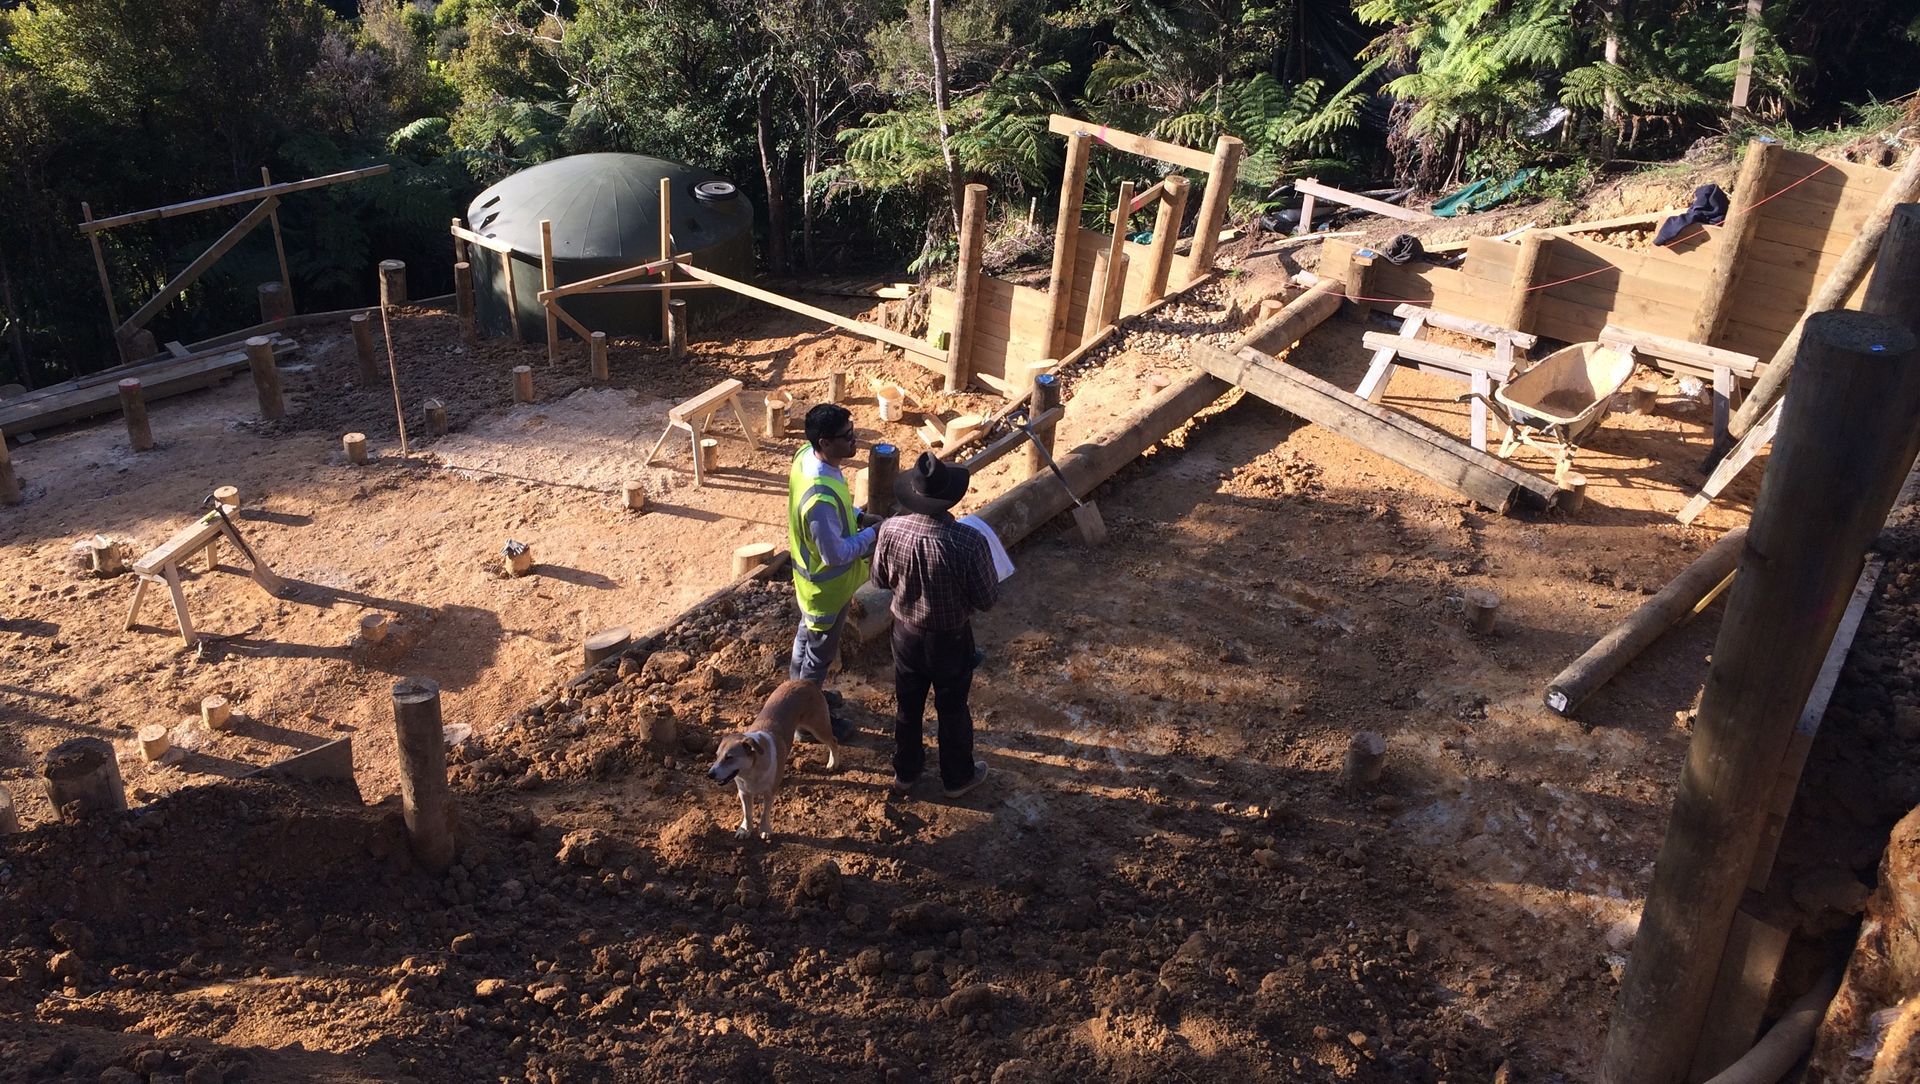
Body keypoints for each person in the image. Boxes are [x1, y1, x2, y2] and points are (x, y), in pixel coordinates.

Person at [871, 452, 999, 798]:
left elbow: (879, 580)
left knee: (908, 703)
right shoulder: (968, 541)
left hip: (905, 634)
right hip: (951, 638)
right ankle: (957, 777)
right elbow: (987, 599)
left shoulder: (891, 530)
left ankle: (907, 772)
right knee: (953, 707)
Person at [787, 403, 877, 741]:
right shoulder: (819, 499)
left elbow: (838, 503)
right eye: (847, 437)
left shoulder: (806, 459)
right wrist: (873, 535)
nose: (855, 441)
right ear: (824, 442)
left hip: (809, 583)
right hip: (827, 591)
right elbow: (835, 553)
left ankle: (797, 696)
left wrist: (857, 517)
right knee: (819, 656)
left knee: (805, 642)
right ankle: (805, 720)